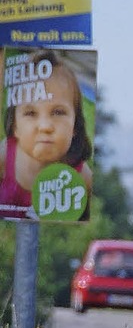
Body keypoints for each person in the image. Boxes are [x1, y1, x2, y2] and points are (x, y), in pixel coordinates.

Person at [0, 51, 92, 219]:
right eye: (30, 113)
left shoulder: (81, 175)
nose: (45, 126)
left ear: (75, 126)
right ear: (15, 126)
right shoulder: (5, 155)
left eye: (58, 112)